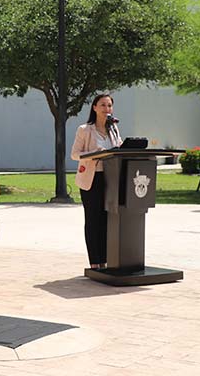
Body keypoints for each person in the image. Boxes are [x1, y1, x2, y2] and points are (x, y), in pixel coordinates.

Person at [70, 93, 123, 269]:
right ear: (94, 108)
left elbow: (120, 149)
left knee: (107, 220)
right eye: (103, 105)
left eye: (109, 105)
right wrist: (94, 154)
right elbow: (74, 154)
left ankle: (105, 261)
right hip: (92, 179)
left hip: (111, 178)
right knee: (93, 220)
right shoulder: (84, 129)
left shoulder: (113, 129)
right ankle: (95, 263)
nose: (107, 109)